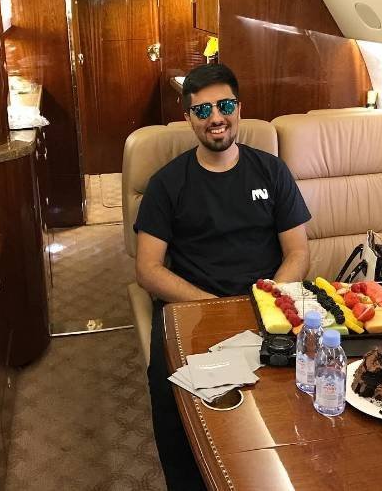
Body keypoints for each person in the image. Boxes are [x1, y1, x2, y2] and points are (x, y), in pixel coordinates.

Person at [134, 63, 311, 490]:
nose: (216, 118)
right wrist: (217, 308)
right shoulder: (167, 183)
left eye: (225, 106)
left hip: (267, 307)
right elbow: (148, 269)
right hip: (194, 310)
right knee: (179, 408)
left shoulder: (271, 171)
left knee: (301, 394)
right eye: (203, 110)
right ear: (188, 118)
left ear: (239, 108)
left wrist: (269, 301)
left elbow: (298, 252)